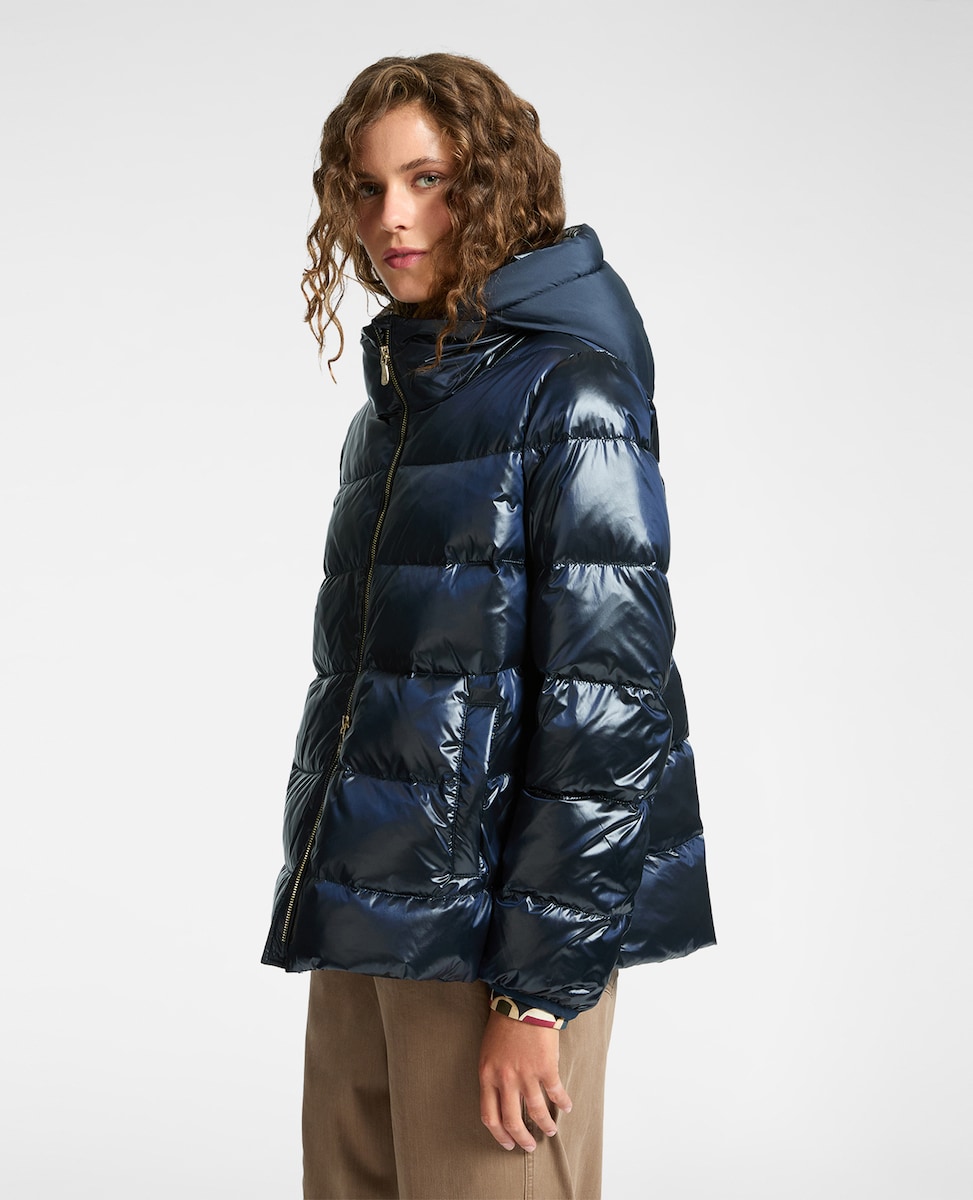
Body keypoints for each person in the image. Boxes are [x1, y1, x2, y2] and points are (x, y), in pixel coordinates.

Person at [262, 52, 716, 1200]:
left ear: (495, 184)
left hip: (496, 957)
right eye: (367, 187)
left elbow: (606, 714)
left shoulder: (572, 398)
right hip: (370, 924)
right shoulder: (399, 407)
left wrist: (537, 995)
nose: (391, 217)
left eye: (428, 180)